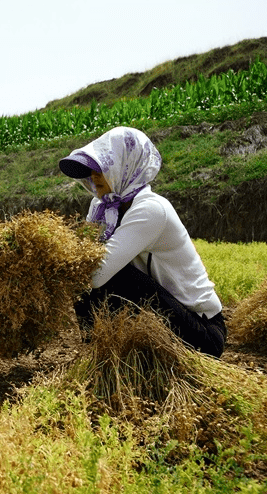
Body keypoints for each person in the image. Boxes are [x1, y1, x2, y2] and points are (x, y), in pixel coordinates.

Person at [58, 126, 227, 357]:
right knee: (86, 277)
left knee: (109, 276)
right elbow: (82, 263)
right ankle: (101, 354)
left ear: (124, 167)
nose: (94, 176)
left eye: (103, 168)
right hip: (163, 314)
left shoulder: (151, 209)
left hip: (202, 332)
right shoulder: (101, 208)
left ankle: (112, 356)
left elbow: (93, 274)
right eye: (92, 169)